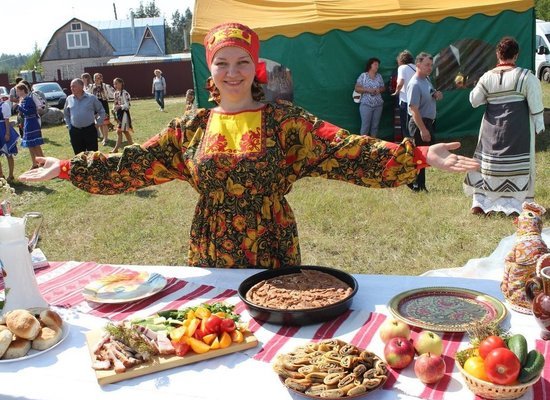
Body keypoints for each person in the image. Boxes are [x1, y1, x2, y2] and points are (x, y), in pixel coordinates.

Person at [19, 22, 479, 270]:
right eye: (223, 63)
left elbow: (344, 149)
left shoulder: (284, 122)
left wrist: (417, 155)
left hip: (273, 245)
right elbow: (134, 163)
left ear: (255, 67)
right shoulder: (191, 127)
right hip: (210, 246)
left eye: (242, 62)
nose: (232, 71)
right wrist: (67, 168)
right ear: (211, 68)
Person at [464, 37, 544, 216]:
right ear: (515, 55)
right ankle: (517, 204)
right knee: (518, 164)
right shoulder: (526, 76)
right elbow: (536, 105)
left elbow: (474, 101)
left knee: (488, 164)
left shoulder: (487, 77)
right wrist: (539, 126)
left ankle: (482, 202)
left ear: (498, 54)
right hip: (517, 129)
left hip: (491, 130)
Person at [406, 52, 443, 192]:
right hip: (419, 124)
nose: (430, 67)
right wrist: (422, 129)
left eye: (431, 65)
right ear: (418, 65)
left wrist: (436, 94)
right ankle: (416, 185)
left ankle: (419, 184)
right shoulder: (414, 84)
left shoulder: (426, 80)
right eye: (427, 65)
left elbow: (430, 92)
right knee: (420, 156)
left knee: (425, 155)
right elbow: (414, 109)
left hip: (428, 123)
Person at [63, 78, 105, 155]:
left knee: (92, 156)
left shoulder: (91, 98)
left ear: (81, 86)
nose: (71, 88)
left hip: (90, 130)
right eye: (71, 86)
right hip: (75, 132)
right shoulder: (69, 99)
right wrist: (69, 126)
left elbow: (102, 111)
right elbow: (66, 114)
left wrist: (98, 123)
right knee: (79, 156)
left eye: (74, 86)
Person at [15, 83, 44, 169]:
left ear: (23, 90)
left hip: (32, 122)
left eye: (18, 91)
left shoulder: (29, 99)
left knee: (36, 144)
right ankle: (35, 164)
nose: (17, 93)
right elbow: (24, 113)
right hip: (27, 122)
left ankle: (44, 162)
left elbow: (31, 112)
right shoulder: (23, 100)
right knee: (30, 144)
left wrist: (20, 108)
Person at [354, 57, 385, 136]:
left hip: (378, 105)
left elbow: (383, 88)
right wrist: (368, 90)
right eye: (375, 64)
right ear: (370, 65)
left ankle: (373, 145)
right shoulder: (363, 76)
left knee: (375, 126)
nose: (377, 66)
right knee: (365, 126)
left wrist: (379, 90)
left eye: (378, 65)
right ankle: (362, 145)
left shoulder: (379, 76)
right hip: (366, 105)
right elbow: (357, 88)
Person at [392, 50, 416, 139]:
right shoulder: (417, 68)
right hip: (418, 102)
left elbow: (401, 81)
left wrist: (396, 91)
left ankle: (408, 146)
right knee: (415, 124)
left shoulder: (402, 68)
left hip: (406, 101)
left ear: (401, 60)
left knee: (406, 126)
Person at [90, 73, 114, 146]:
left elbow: (113, 93)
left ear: (101, 79)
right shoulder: (91, 87)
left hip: (103, 103)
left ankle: (106, 138)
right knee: (99, 122)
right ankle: (104, 137)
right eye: (95, 78)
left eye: (98, 78)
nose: (97, 79)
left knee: (105, 122)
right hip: (95, 104)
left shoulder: (106, 86)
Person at [112, 77, 134, 153]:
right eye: (114, 84)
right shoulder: (115, 93)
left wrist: (120, 106)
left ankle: (116, 149)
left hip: (124, 113)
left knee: (122, 131)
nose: (115, 85)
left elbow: (128, 105)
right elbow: (115, 103)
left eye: (116, 83)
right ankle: (132, 146)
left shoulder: (125, 93)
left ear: (121, 83)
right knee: (122, 131)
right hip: (119, 114)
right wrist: (114, 109)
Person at [0, 94, 18, 181]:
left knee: (8, 153)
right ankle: (1, 175)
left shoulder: (4, 105)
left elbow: (7, 120)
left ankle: (11, 175)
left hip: (3, 130)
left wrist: (7, 133)